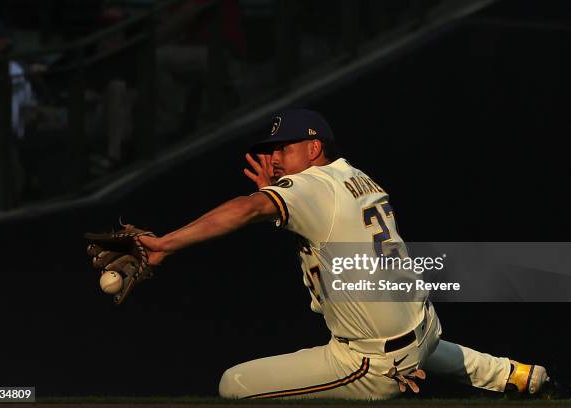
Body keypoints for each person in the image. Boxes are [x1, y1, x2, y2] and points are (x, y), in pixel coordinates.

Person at [138, 108, 549, 400]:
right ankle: (513, 375)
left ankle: (395, 373)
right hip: (424, 328)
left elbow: (246, 211)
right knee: (397, 323)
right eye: (272, 149)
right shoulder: (356, 178)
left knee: (234, 385)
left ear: (314, 148)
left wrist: (163, 244)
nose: (275, 157)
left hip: (373, 360)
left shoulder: (314, 185)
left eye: (284, 147)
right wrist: (272, 193)